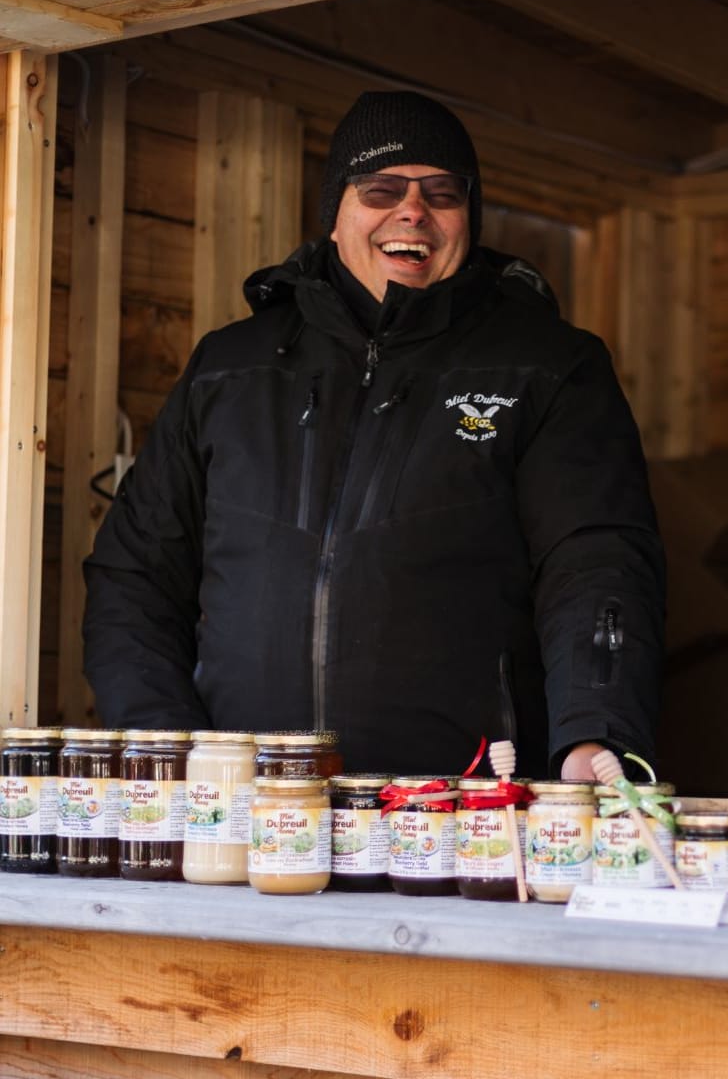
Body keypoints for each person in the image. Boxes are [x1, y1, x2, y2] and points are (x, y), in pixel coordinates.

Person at [83, 90, 665, 778]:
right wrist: (167, 744)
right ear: (336, 214)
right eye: (382, 189)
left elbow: (596, 563)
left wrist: (593, 731)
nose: (412, 211)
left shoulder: (548, 365)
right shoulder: (230, 367)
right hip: (242, 807)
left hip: (462, 809)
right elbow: (135, 574)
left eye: (442, 194)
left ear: (467, 220)